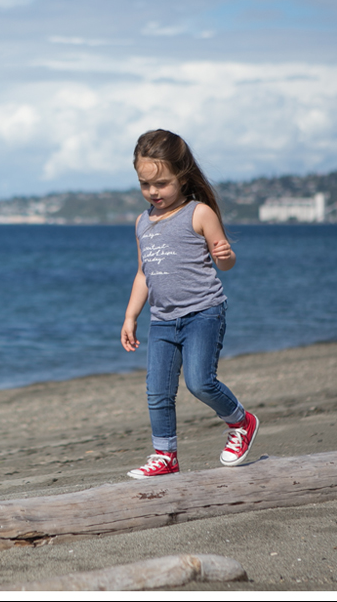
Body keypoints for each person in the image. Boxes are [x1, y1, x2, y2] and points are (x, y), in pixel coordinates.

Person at [121, 129, 258, 478]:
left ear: (182, 177)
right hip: (162, 320)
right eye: (145, 184)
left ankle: (241, 422)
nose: (154, 192)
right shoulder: (142, 223)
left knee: (200, 382)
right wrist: (131, 316)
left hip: (203, 313)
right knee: (157, 391)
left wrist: (226, 256)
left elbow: (225, 262)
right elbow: (143, 274)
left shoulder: (199, 213)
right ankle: (165, 456)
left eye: (162, 183)